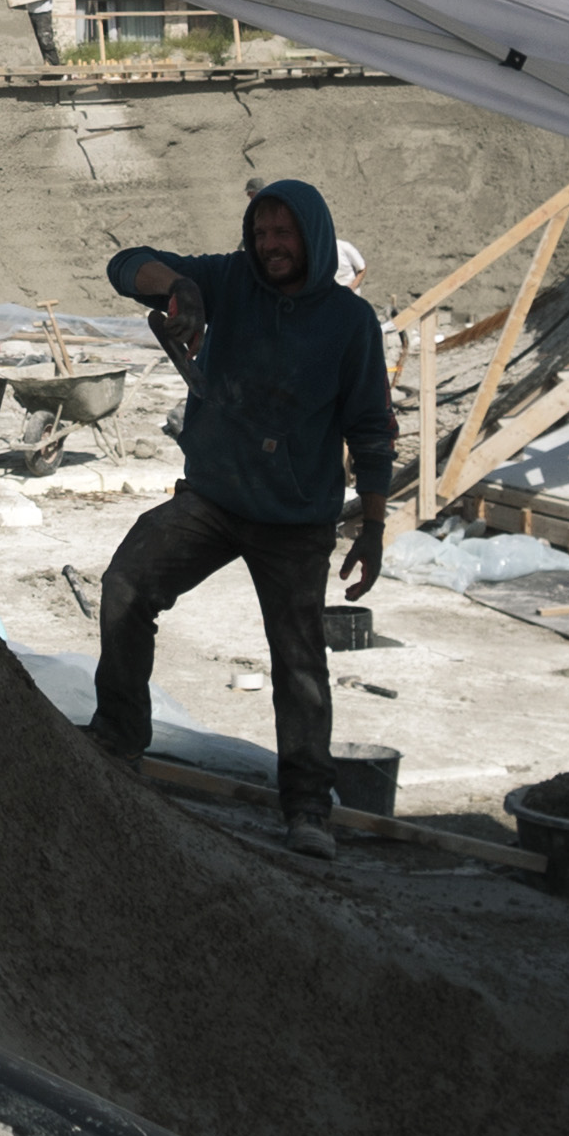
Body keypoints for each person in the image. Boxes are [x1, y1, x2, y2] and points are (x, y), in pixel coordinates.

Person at [93, 179, 397, 837]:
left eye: (281, 233)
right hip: (213, 498)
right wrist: (179, 289)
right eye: (260, 234)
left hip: (294, 520)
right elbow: (125, 263)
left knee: (298, 661)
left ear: (311, 236)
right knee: (126, 584)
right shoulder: (230, 280)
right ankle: (116, 741)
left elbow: (371, 430)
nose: (269, 246)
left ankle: (308, 806)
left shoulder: (349, 323)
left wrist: (371, 528)